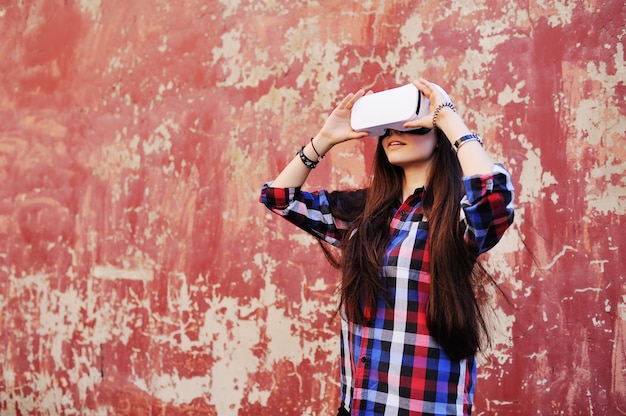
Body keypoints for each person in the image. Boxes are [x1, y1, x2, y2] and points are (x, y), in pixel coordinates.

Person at [259, 78, 515, 416]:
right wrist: (324, 139)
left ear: (436, 135)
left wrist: (449, 119)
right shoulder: (363, 217)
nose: (395, 133)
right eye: (387, 129)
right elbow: (280, 198)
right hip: (359, 407)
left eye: (410, 124)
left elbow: (493, 196)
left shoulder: (456, 218)